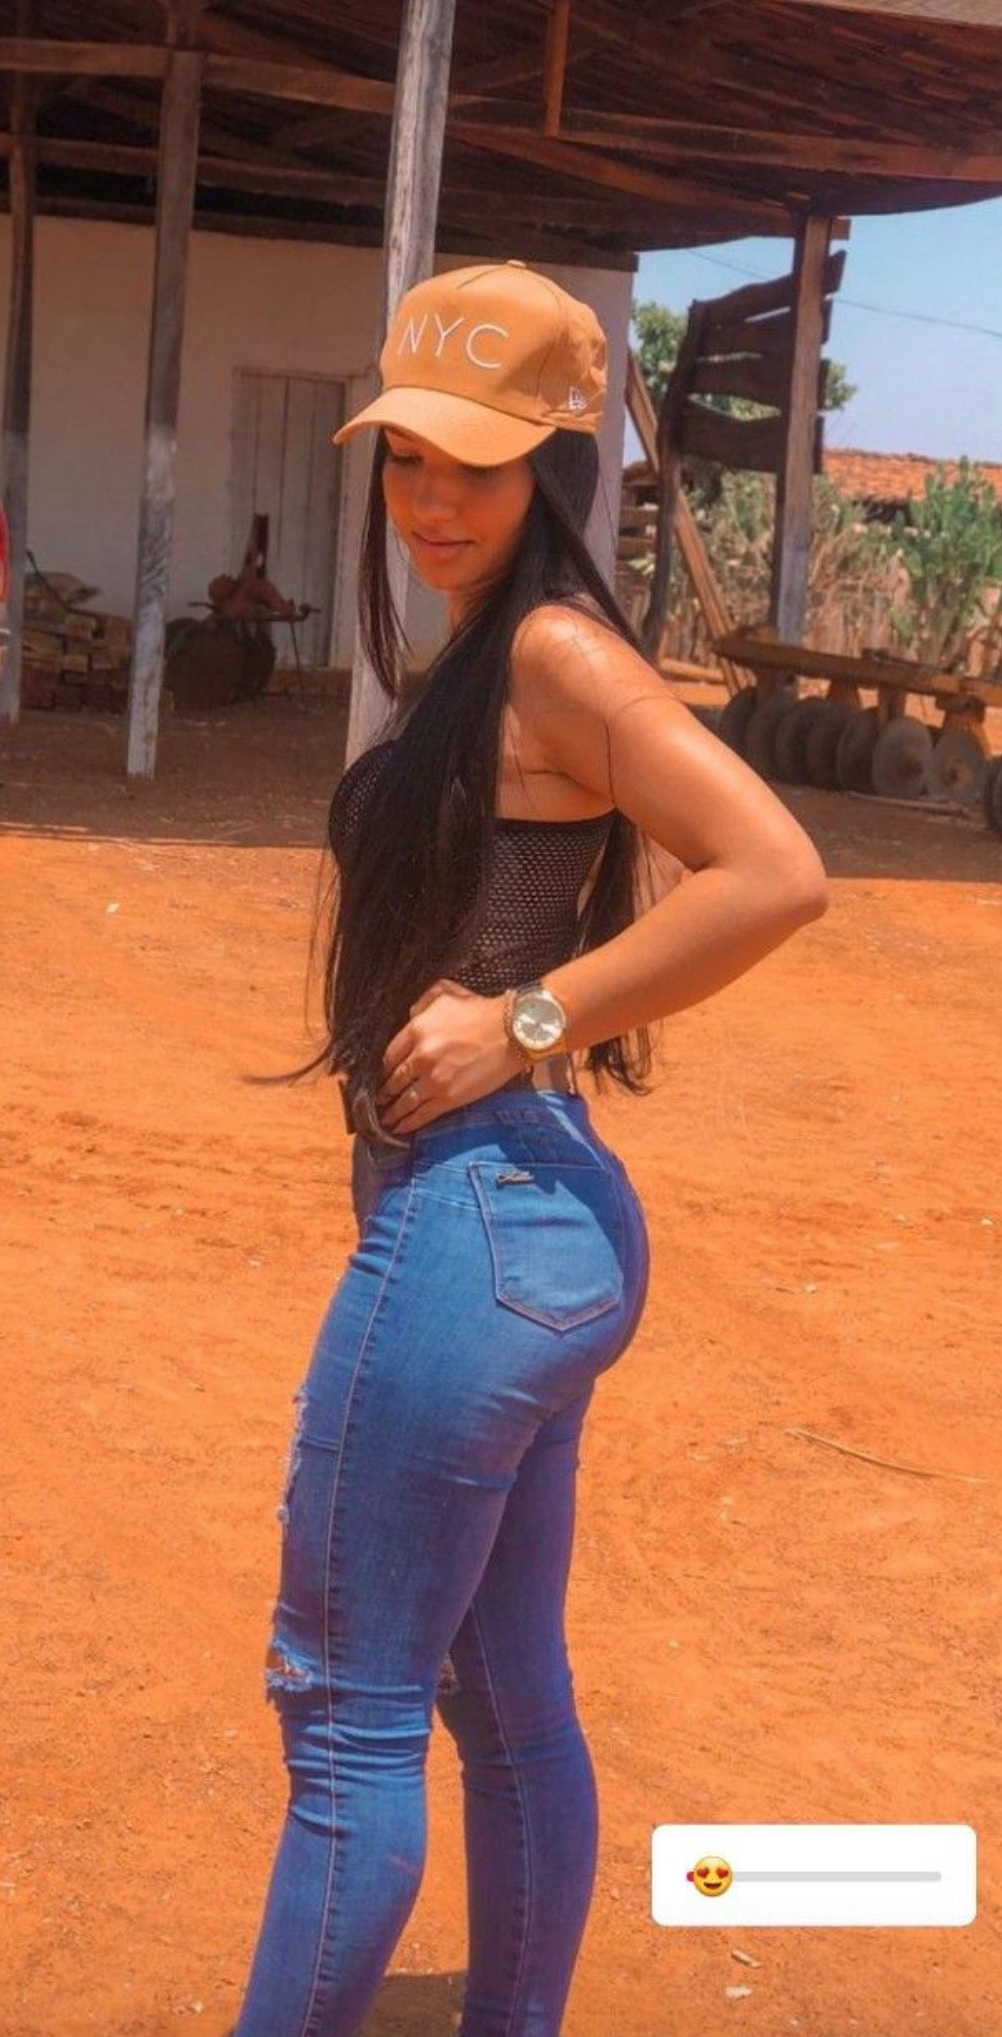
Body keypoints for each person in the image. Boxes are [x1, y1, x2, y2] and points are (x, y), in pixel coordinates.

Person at [232, 260, 828, 2037]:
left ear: (558, 465)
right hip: (527, 1228)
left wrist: (529, 1015)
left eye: (476, 467)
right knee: (504, 1705)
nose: (430, 499)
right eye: (408, 458)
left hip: (481, 1215)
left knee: (347, 1711)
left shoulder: (559, 653)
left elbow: (774, 869)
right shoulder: (492, 644)